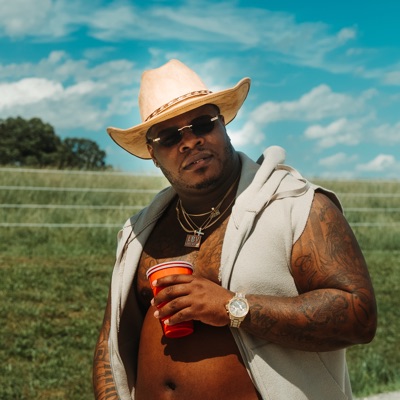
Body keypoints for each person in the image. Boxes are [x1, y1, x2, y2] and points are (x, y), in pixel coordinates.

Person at [93, 59, 377, 400]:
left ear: (223, 125)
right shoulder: (140, 233)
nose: (190, 142)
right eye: (169, 137)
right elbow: (110, 343)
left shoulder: (295, 205)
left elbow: (359, 315)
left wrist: (232, 308)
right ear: (153, 154)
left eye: (202, 124)